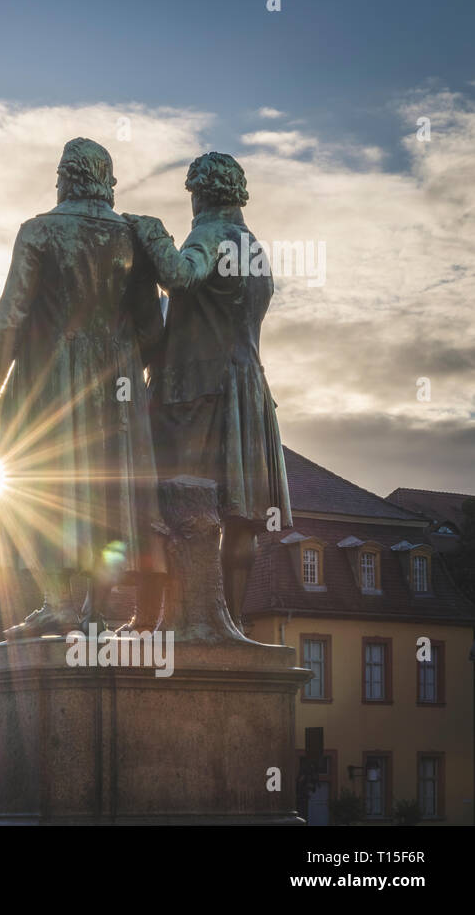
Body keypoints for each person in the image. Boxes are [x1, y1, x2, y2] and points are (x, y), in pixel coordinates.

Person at [0, 138, 166, 636]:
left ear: (65, 177)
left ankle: (60, 602)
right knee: (106, 489)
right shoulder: (133, 240)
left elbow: (8, 321)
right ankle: (95, 611)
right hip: (118, 386)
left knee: (41, 486)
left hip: (49, 380)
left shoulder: (38, 232)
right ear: (106, 181)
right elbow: (152, 329)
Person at [124, 152, 292, 625]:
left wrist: (151, 231)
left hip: (197, 392)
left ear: (199, 192)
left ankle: (168, 621)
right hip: (248, 390)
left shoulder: (210, 233)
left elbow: (179, 276)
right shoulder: (254, 246)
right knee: (241, 515)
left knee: (170, 504)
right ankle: (231, 625)